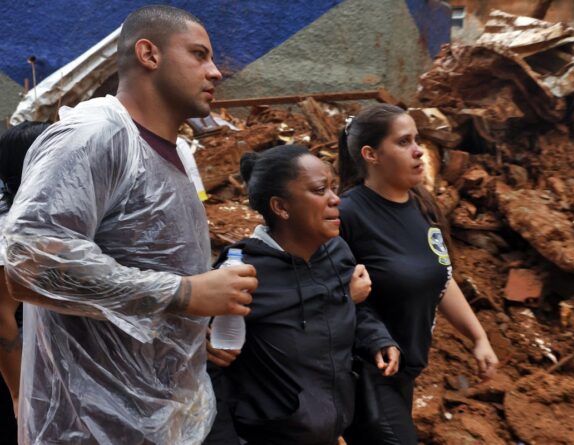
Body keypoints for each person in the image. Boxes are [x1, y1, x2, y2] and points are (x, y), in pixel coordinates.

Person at [1, 6, 257, 444]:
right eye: (199, 55)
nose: (215, 72)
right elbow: (30, 258)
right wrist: (184, 292)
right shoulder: (97, 133)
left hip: (157, 417)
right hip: (91, 425)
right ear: (148, 54)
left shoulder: (169, 153)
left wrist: (197, 308)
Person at [204, 145, 400, 445]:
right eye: (320, 190)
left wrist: (376, 337)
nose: (335, 200)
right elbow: (209, 370)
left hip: (330, 431)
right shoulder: (241, 273)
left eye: (333, 188)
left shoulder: (336, 252)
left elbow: (347, 304)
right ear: (281, 207)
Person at [337, 104, 500, 444]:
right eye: (403, 142)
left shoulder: (422, 206)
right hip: (364, 373)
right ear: (371, 154)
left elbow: (440, 278)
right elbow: (331, 291)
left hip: (405, 370)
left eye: (418, 140)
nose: (418, 150)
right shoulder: (347, 214)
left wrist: (478, 337)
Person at [0, 121, 51, 444]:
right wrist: (20, 392)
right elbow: (1, 317)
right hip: (16, 369)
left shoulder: (36, 210)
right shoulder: (11, 227)